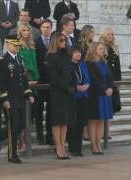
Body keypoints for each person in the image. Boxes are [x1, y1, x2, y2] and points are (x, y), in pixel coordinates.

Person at [0, 34, 34, 164]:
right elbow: (0, 82)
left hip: (20, 98)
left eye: (18, 45)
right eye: (15, 45)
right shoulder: (2, 60)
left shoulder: (20, 59)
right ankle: (12, 155)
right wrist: (4, 98)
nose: (17, 47)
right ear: (8, 45)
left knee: (21, 124)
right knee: (13, 125)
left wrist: (28, 93)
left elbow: (23, 78)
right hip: (9, 98)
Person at [46, 32, 76, 160]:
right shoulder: (51, 56)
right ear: (56, 42)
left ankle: (63, 146)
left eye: (64, 40)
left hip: (68, 91)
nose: (64, 42)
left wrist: (73, 86)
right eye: (61, 40)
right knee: (57, 121)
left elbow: (71, 72)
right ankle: (58, 146)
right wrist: (66, 87)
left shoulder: (67, 56)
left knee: (65, 121)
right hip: (58, 91)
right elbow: (54, 76)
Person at [85, 42, 114, 155]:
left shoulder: (103, 62)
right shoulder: (89, 63)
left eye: (103, 48)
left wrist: (110, 88)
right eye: (100, 48)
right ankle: (93, 145)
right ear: (94, 50)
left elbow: (110, 77)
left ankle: (99, 144)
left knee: (102, 120)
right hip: (95, 94)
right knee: (93, 119)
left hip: (105, 94)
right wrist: (104, 89)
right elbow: (94, 78)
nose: (102, 50)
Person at [16, 22, 40, 149]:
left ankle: (26, 138)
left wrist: (35, 78)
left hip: (34, 82)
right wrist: (27, 79)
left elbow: (34, 62)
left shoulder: (32, 45)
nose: (26, 32)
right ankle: (20, 139)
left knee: (30, 114)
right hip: (24, 81)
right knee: (22, 113)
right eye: (24, 30)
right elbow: (20, 65)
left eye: (28, 30)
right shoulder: (18, 46)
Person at [67, 45, 90, 157]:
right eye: (76, 52)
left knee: (81, 122)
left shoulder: (82, 65)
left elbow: (88, 78)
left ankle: (78, 148)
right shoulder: (68, 65)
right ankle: (72, 148)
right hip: (73, 96)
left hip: (83, 96)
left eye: (80, 52)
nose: (78, 54)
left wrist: (87, 85)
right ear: (71, 53)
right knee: (73, 123)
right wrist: (77, 87)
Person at [34, 19, 54, 146]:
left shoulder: (54, 42)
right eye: (44, 27)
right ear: (40, 28)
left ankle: (50, 135)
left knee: (51, 111)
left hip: (51, 80)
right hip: (40, 80)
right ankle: (39, 135)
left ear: (51, 28)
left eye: (48, 27)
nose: (46, 29)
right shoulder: (35, 43)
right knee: (39, 110)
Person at [99, 28, 122, 139]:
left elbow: (118, 65)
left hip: (114, 79)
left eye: (112, 34)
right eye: (108, 34)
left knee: (113, 106)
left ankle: (107, 131)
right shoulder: (101, 47)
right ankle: (102, 132)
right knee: (105, 106)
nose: (111, 36)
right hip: (105, 79)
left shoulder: (115, 47)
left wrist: (119, 81)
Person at [78, 24, 94, 141]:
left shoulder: (92, 44)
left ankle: (88, 131)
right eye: (91, 32)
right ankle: (84, 131)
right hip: (85, 73)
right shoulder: (82, 45)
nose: (93, 34)